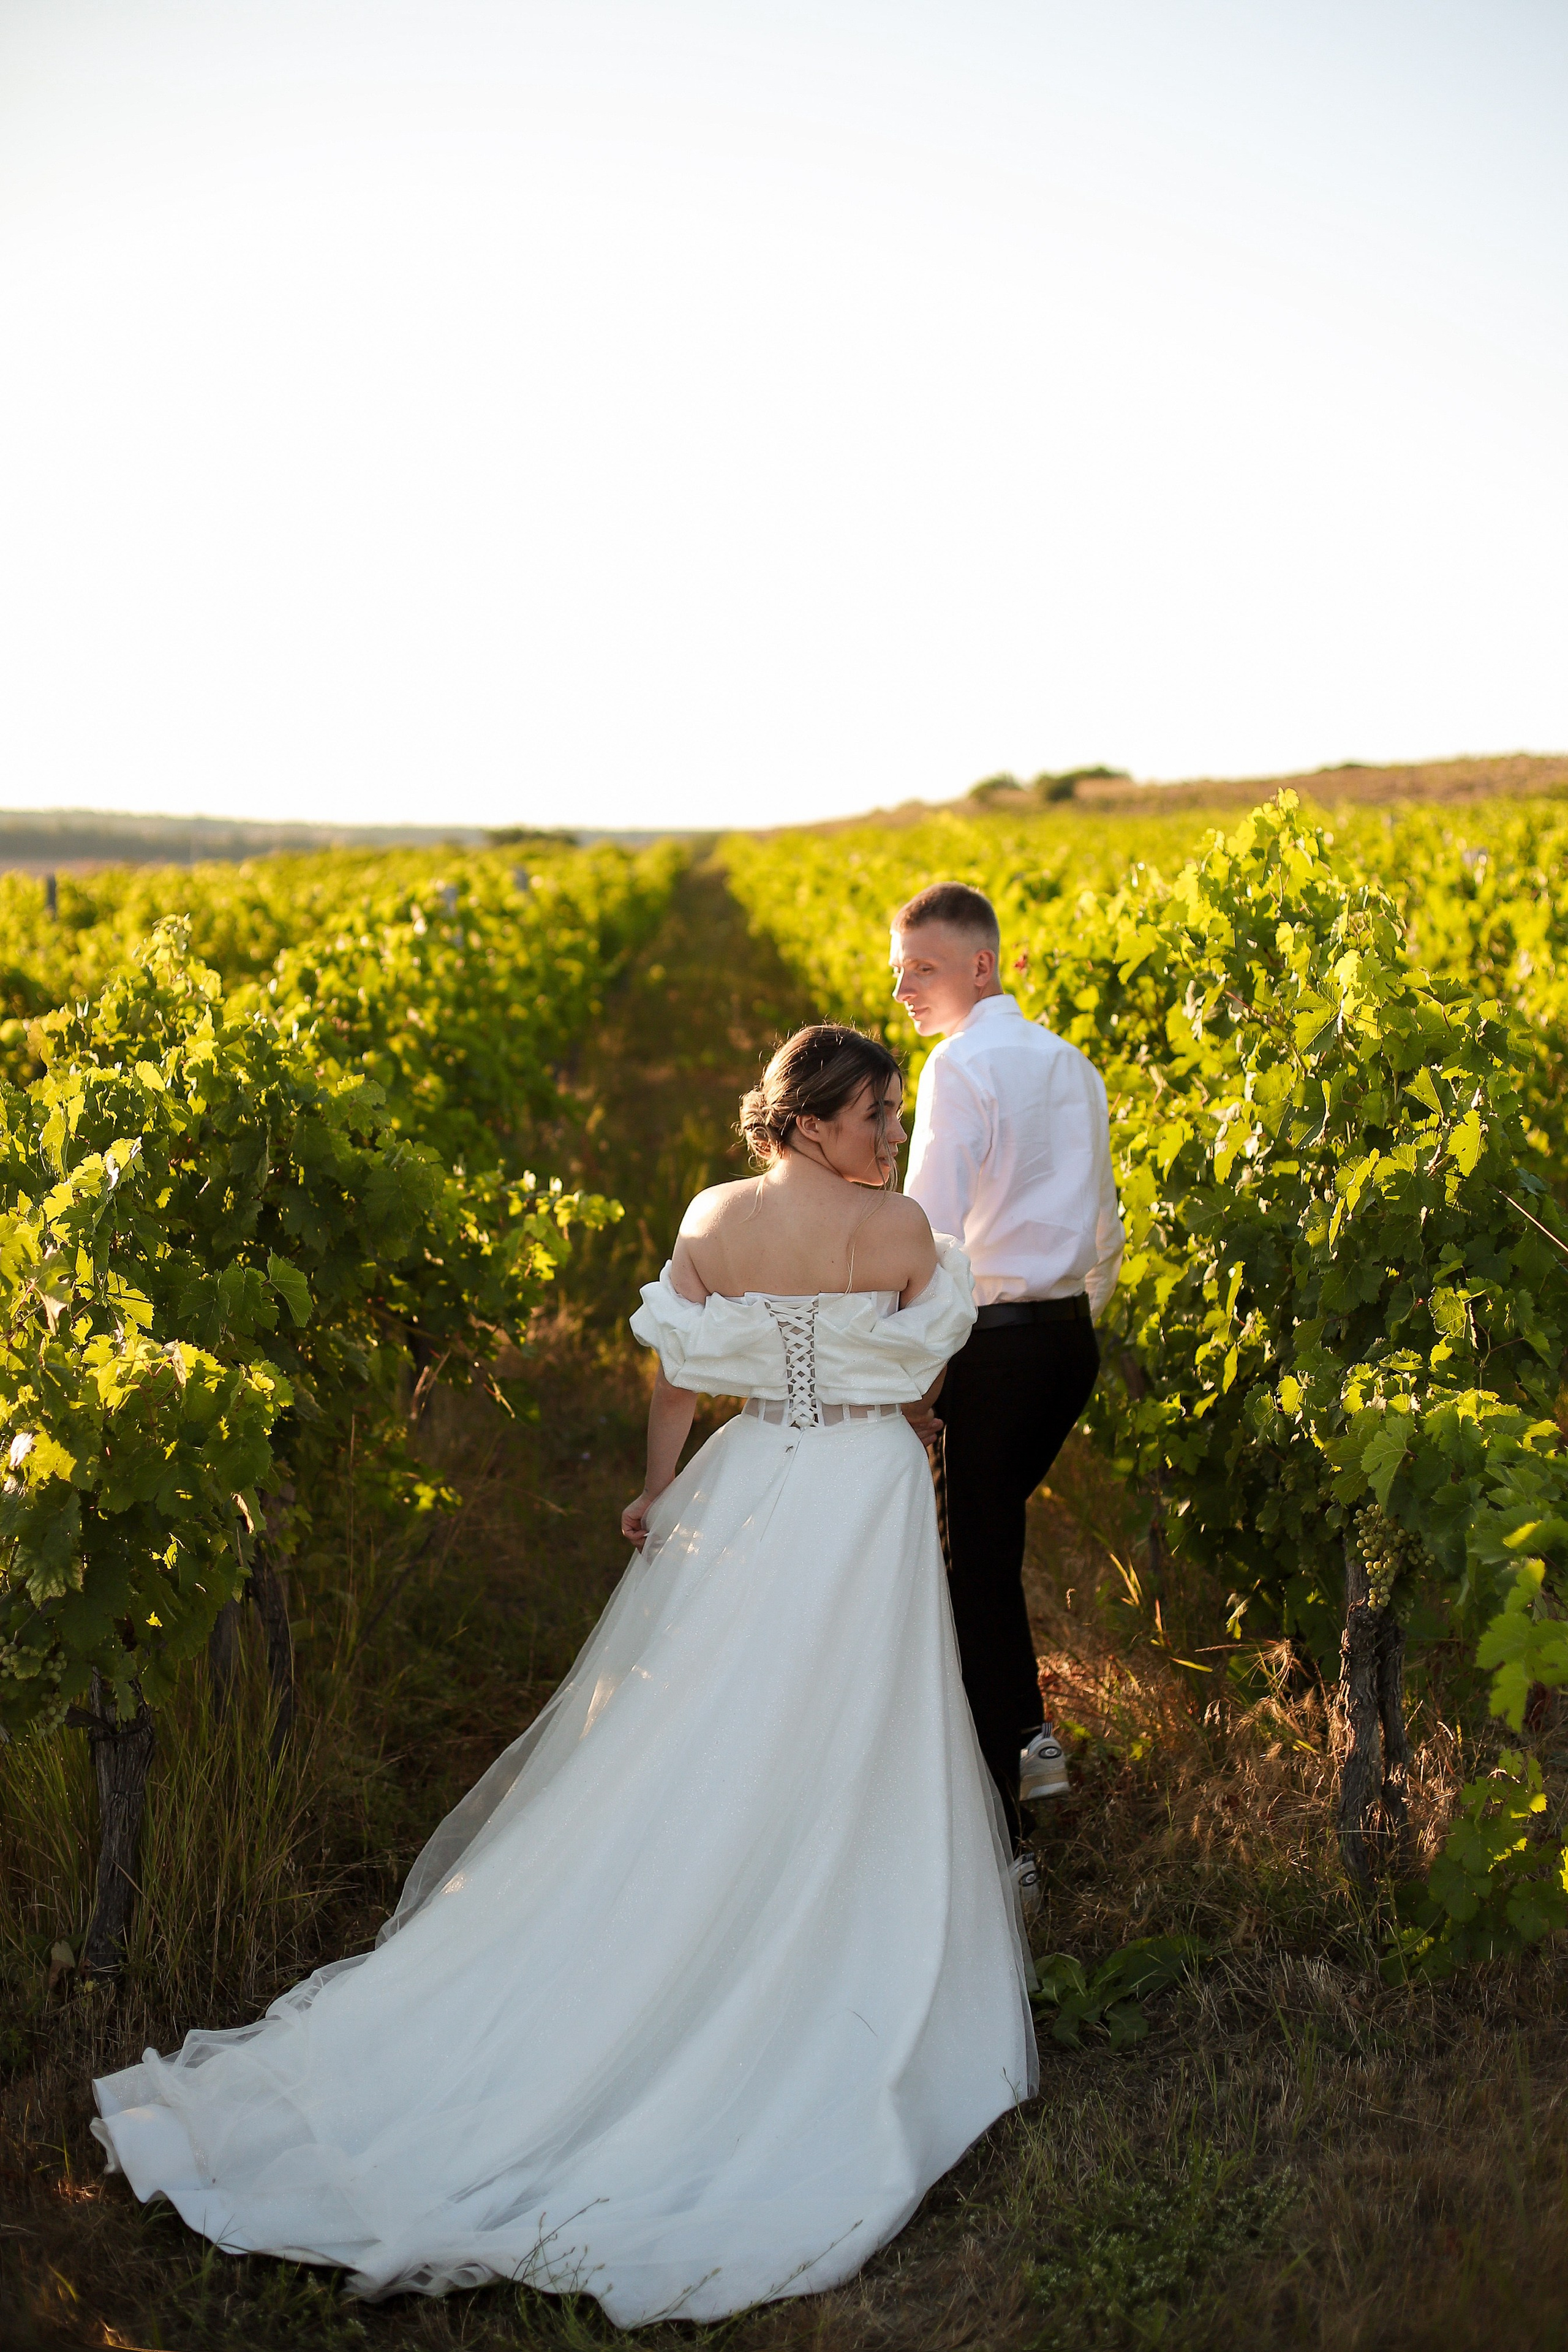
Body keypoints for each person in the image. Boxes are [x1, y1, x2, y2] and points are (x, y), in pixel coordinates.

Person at [91, 1024, 1036, 2330]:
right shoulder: (903, 1234)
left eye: (892, 1116)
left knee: (708, 1725)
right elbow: (926, 1369)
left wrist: (656, 1496)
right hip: (861, 1488)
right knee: (852, 1720)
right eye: (875, 1114)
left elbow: (672, 1379)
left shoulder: (711, 1217)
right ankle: (823, 1930)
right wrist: (898, 1402)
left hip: (752, 1479)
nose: (891, 1135)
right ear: (813, 1121)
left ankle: (714, 1906)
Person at [889, 884, 1123, 1852]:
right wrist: (1069, 1315)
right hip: (1069, 1343)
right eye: (898, 970)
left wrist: (913, 1374)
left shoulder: (957, 1065)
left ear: (980, 966)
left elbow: (929, 1233)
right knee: (990, 1546)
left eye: (924, 967)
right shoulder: (1073, 1064)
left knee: (973, 1567)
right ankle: (1019, 1752)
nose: (905, 987)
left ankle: (1010, 1801)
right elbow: (1105, 1223)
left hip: (992, 1344)